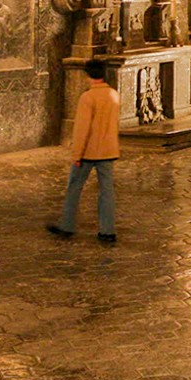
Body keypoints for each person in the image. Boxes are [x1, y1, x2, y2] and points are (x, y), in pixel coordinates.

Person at [47, 59, 120, 243]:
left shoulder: (87, 98)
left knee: (74, 188)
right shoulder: (113, 94)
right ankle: (107, 231)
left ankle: (67, 226)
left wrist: (77, 154)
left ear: (88, 75)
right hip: (108, 151)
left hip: (88, 152)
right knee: (107, 191)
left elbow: (82, 129)